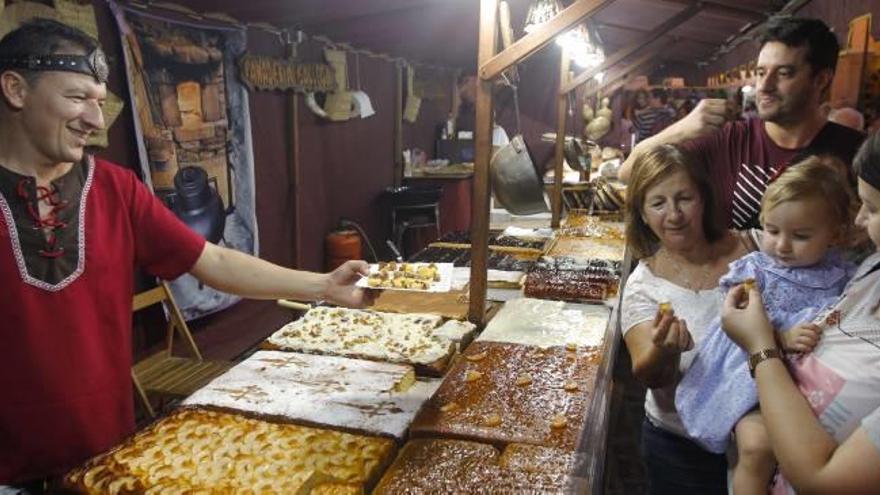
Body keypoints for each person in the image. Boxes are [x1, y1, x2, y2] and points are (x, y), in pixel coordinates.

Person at [0, 19, 374, 489]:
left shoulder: (116, 189)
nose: (96, 121)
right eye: (77, 98)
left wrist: (322, 285)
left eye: (98, 102)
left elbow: (211, 260)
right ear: (15, 89)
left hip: (107, 462)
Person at [675, 157, 857, 493]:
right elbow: (737, 324)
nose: (782, 245)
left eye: (800, 235)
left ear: (835, 233)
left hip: (815, 388)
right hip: (749, 380)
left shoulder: (846, 276)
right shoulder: (756, 269)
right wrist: (779, 336)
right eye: (772, 231)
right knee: (757, 449)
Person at [719, 132, 880, 494]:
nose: (859, 222)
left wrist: (763, 343)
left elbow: (825, 482)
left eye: (872, 208)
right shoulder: (870, 270)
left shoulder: (843, 272)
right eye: (772, 230)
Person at [619, 17, 865, 231]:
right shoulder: (729, 139)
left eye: (783, 73)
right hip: (733, 283)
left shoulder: (857, 153)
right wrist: (684, 128)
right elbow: (628, 172)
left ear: (821, 79)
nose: (764, 86)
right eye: (760, 72)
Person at [621, 144, 752, 493]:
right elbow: (648, 373)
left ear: (704, 199)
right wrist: (666, 351)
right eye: (658, 203)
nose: (674, 214)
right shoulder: (642, 284)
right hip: (680, 448)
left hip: (762, 439)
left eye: (684, 198)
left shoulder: (754, 247)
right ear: (643, 214)